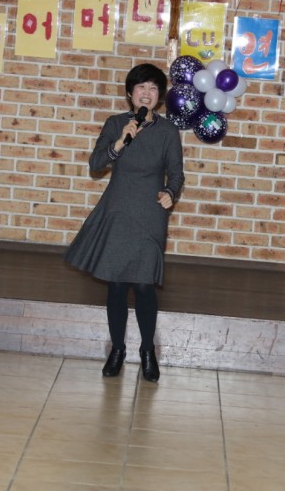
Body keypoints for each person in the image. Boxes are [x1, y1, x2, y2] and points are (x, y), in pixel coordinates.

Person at [65, 64, 185, 382]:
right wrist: (120, 142)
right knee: (117, 284)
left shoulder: (167, 131)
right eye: (141, 87)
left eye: (153, 88)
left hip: (150, 212)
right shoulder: (116, 124)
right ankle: (117, 349)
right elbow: (96, 164)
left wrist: (170, 193)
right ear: (130, 93)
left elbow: (176, 173)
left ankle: (147, 351)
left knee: (144, 285)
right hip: (118, 210)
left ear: (159, 96)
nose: (146, 93)